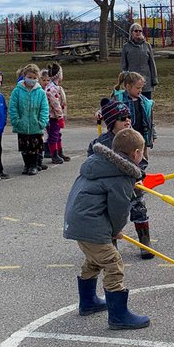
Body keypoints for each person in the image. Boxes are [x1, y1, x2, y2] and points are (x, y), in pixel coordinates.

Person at [63, 126, 150, 330]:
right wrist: (115, 231)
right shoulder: (121, 174)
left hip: (79, 221)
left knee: (94, 260)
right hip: (90, 223)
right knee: (112, 261)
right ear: (136, 153)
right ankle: (118, 316)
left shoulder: (99, 163)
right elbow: (119, 209)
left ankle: (88, 302)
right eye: (143, 153)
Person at [112, 71, 156, 257]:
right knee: (112, 211)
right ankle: (110, 245)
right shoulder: (105, 143)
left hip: (137, 149)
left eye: (128, 118)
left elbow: (149, 121)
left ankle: (144, 240)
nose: (127, 121)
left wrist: (139, 175)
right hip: (114, 185)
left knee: (138, 204)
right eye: (122, 119)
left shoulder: (144, 102)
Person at [10, 64, 50, 175]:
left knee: (35, 147)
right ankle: (27, 165)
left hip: (36, 125)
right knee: (24, 147)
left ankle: (34, 165)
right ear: (24, 76)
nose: (31, 80)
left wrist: (42, 122)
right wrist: (16, 121)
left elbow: (44, 108)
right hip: (22, 124)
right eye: (29, 77)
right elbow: (13, 107)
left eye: (34, 78)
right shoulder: (17, 91)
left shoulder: (40, 92)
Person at [120, 22, 158, 98]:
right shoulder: (126, 46)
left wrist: (154, 79)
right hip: (132, 81)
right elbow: (124, 65)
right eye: (136, 31)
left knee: (146, 103)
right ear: (131, 32)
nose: (138, 32)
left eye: (140, 31)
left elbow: (152, 64)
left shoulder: (147, 45)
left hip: (146, 80)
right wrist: (125, 79)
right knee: (133, 102)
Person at [45, 62, 70, 163]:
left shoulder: (55, 87)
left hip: (55, 116)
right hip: (52, 117)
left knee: (57, 134)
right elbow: (56, 105)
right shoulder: (52, 89)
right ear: (59, 75)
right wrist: (60, 117)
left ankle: (59, 152)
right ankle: (54, 155)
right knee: (53, 135)